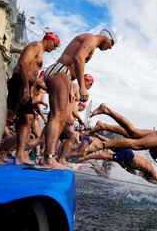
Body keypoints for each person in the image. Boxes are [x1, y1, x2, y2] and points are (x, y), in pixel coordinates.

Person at [42, 29, 116, 169]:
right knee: (58, 116)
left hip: (64, 75)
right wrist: (82, 86)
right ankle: (48, 159)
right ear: (107, 37)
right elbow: (78, 58)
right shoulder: (91, 39)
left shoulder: (91, 44)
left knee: (61, 118)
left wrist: (71, 86)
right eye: (111, 44)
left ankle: (50, 158)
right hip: (60, 71)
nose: (110, 48)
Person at [90, 109, 157, 200]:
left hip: (156, 149)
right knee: (134, 132)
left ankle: (104, 126)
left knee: (133, 134)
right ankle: (105, 122)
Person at [6, 32, 59, 165]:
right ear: (49, 39)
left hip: (24, 84)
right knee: (7, 117)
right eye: (55, 44)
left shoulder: (40, 51)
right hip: (19, 82)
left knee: (28, 119)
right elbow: (23, 64)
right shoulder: (36, 46)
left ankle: (19, 155)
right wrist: (25, 88)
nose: (55, 48)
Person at [78, 134, 157, 192]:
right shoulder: (151, 172)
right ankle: (87, 155)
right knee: (108, 151)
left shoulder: (147, 173)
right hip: (128, 157)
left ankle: (90, 150)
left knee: (109, 144)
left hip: (128, 158)